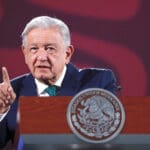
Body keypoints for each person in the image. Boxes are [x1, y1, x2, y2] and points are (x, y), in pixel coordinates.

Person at [0, 16, 118, 148]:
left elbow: (108, 132)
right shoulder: (10, 93)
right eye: (34, 49)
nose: (41, 57)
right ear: (25, 53)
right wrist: (1, 111)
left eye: (50, 48)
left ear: (67, 54)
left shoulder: (97, 82)